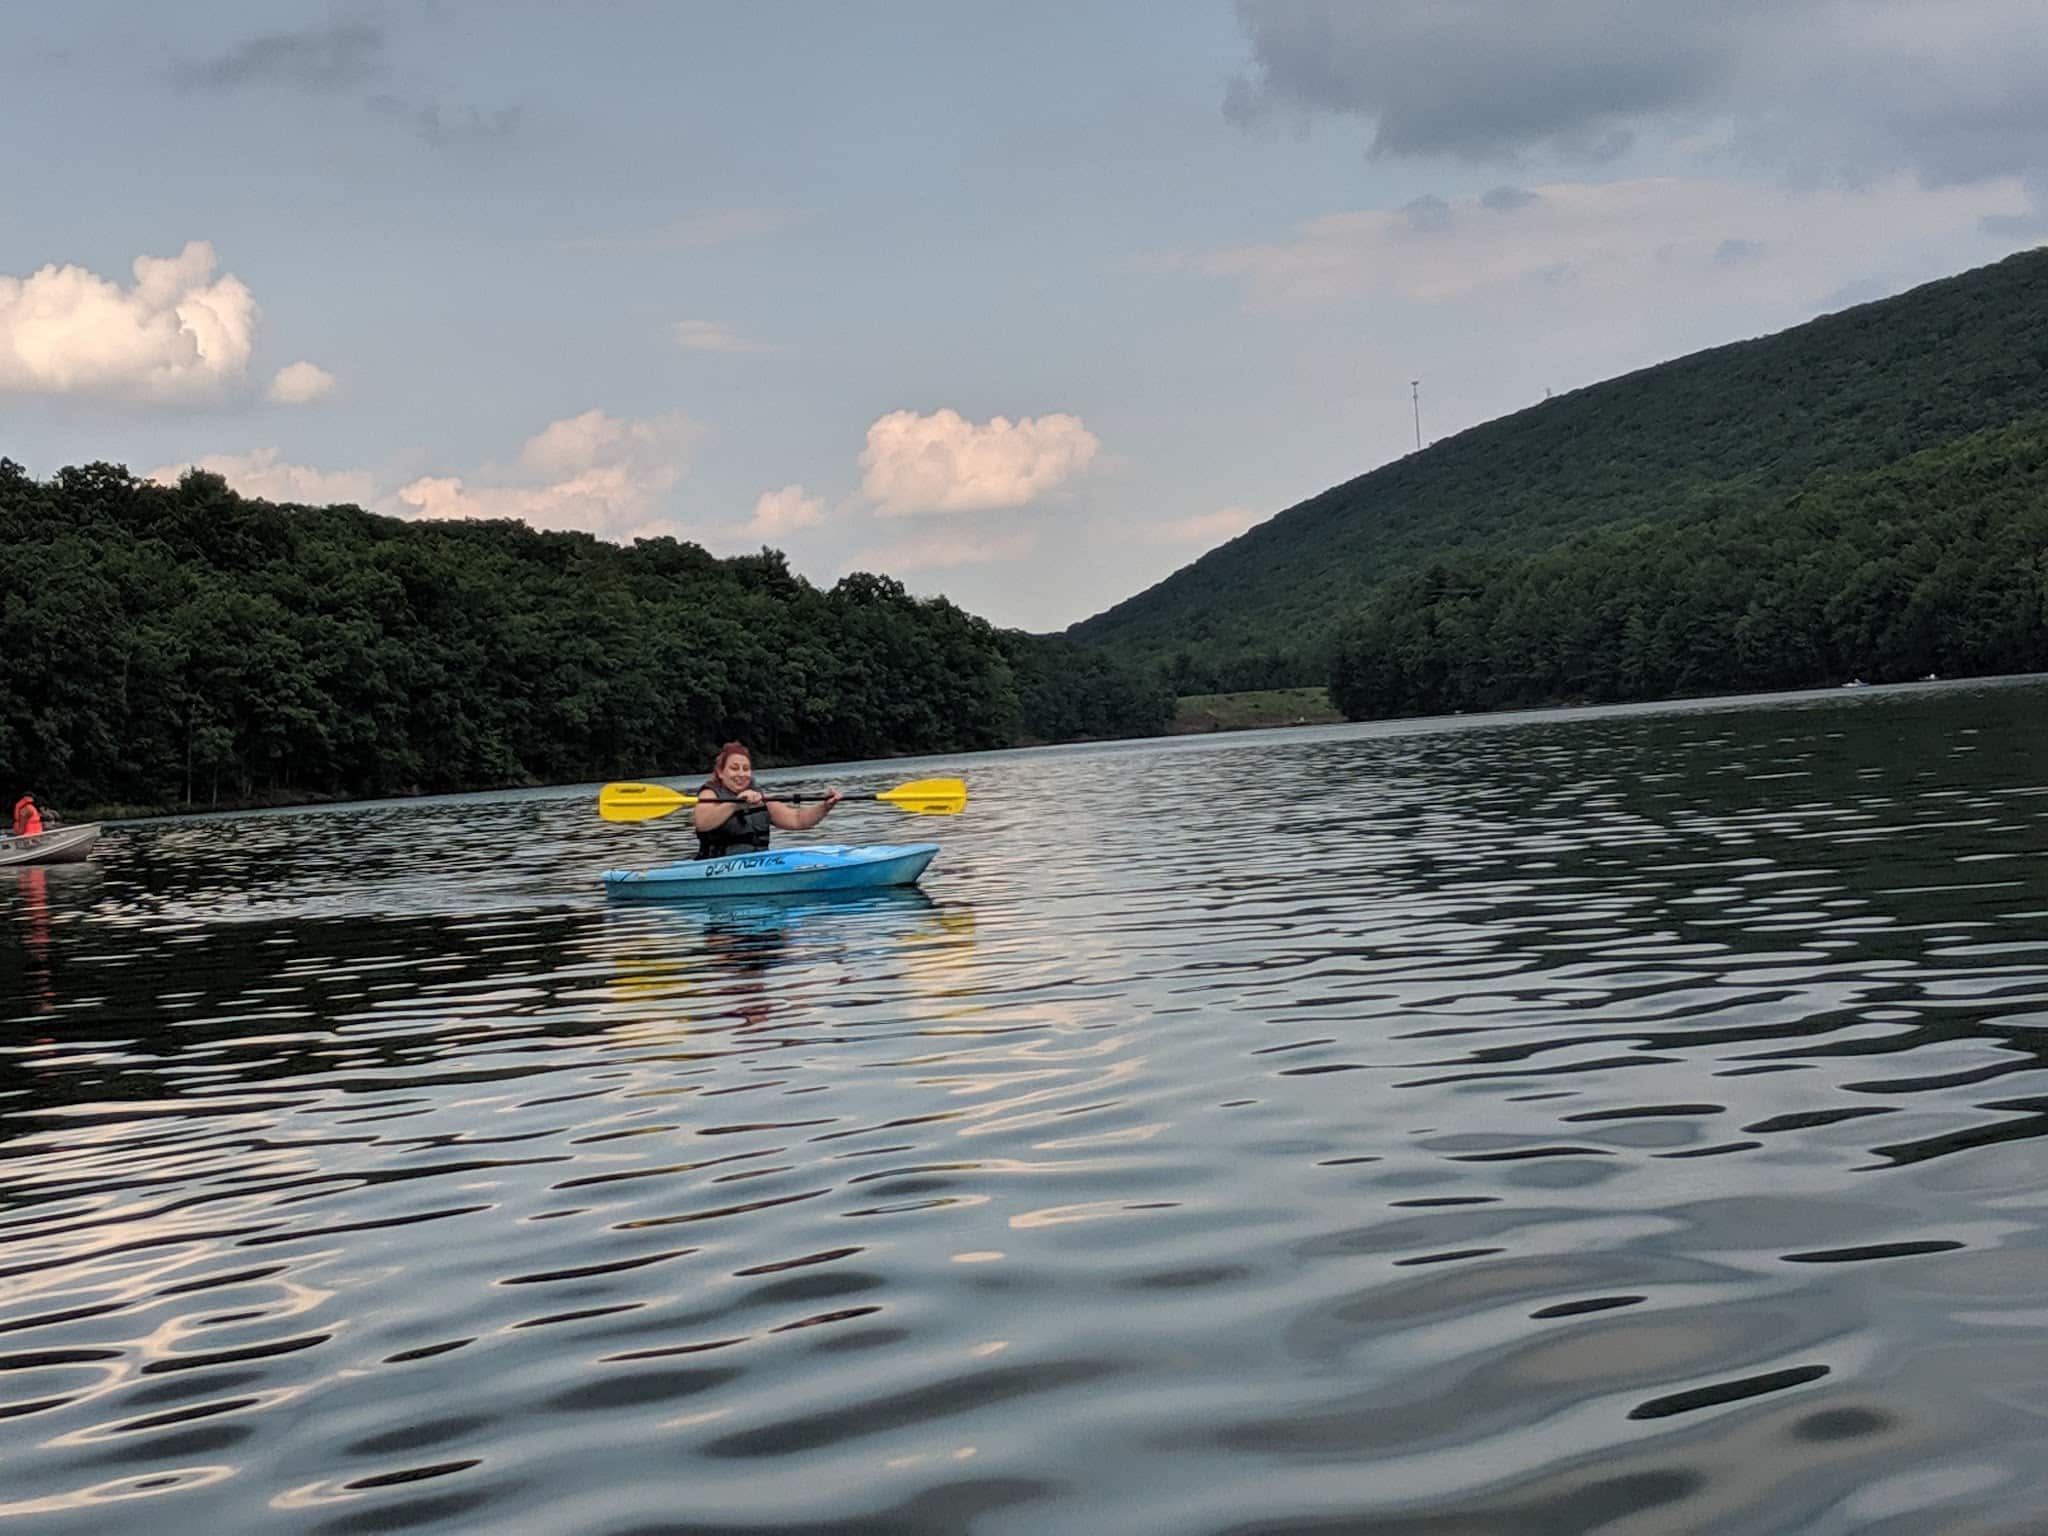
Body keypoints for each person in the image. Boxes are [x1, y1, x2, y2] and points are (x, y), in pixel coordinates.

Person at [692, 741, 841, 859]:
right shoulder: (709, 794)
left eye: (746, 769)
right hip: (716, 866)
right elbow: (702, 823)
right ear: (720, 772)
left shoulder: (758, 797)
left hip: (757, 864)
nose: (741, 774)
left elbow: (797, 819)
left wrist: (824, 807)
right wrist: (735, 804)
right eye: (734, 768)